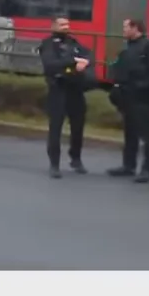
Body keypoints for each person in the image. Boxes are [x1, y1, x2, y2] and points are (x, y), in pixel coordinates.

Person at [106, 18, 149, 182]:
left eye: (125, 27)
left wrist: (144, 86)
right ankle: (128, 165)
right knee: (130, 133)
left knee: (146, 135)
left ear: (135, 28)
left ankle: (147, 169)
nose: (123, 30)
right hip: (127, 96)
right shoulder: (128, 47)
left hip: (143, 98)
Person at [38, 16, 95, 178]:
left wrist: (84, 62)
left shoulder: (73, 42)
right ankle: (54, 164)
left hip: (75, 90)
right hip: (58, 90)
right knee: (56, 127)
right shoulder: (48, 44)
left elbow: (88, 55)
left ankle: (76, 158)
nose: (66, 27)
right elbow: (50, 65)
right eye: (62, 24)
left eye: (67, 24)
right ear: (53, 26)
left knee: (78, 126)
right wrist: (73, 62)